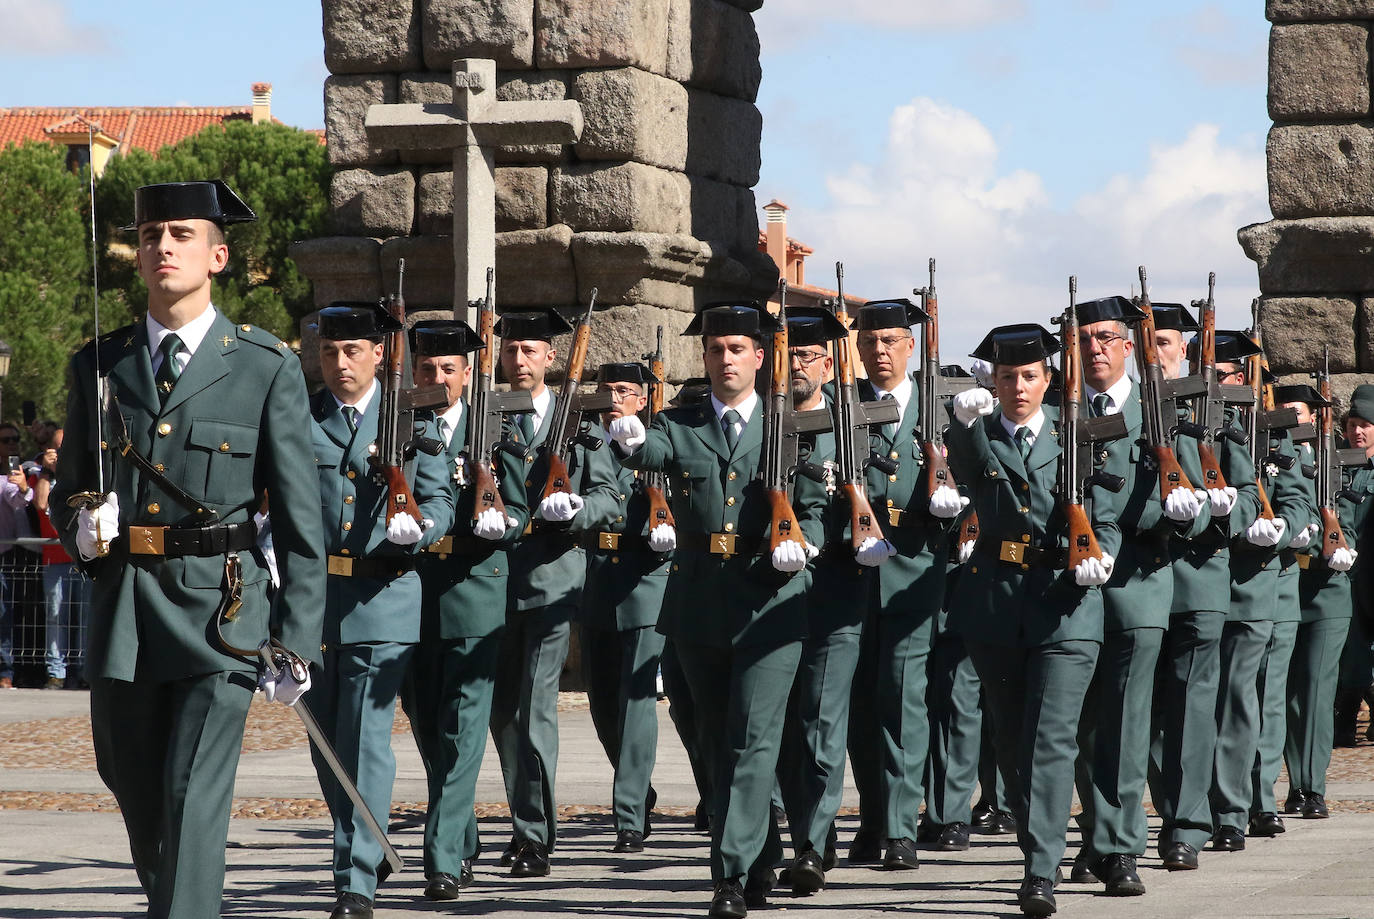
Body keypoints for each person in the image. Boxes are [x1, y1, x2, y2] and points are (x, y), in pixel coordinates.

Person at [51, 179, 326, 919]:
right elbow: (69, 486)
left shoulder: (265, 367)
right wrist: (80, 524)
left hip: (222, 613)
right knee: (135, 787)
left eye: (178, 234)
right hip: (126, 613)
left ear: (218, 256)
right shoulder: (99, 366)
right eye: (148, 236)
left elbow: (302, 519)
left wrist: (299, 635)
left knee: (189, 793)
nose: (161, 247)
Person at [608, 303, 829, 918]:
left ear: (760, 358)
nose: (725, 360)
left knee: (752, 741)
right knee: (712, 740)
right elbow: (650, 450)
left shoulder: (792, 426)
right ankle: (759, 856)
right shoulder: (682, 425)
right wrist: (626, 434)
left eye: (736, 349)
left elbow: (814, 509)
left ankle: (728, 875)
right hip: (700, 603)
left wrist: (801, 545)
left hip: (772, 603)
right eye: (714, 350)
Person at [947, 323, 1124, 917]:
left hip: (1066, 603)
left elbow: (1112, 509)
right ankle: (1036, 844)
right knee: (1012, 740)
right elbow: (967, 473)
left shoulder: (1081, 437)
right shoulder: (979, 436)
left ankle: (1040, 868)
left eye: (1027, 377)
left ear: (1048, 380)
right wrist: (964, 425)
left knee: (1051, 738)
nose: (1017, 387)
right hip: (997, 603)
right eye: (1005, 378)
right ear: (992, 384)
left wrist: (1102, 554)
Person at [306, 303, 454, 918]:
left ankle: (355, 877)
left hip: (385, 597)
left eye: (353, 352)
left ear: (377, 355)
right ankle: (364, 846)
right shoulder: (299, 417)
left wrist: (413, 529)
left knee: (366, 738)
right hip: (313, 605)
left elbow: (442, 499)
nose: (341, 364)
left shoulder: (412, 417)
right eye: (330, 353)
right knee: (328, 748)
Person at [1066, 297, 1205, 897]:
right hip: (1069, 590)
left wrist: (1176, 510)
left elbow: (1193, 502)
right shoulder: (1057, 411)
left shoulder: (1161, 414)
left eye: (1104, 338)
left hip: (1138, 586)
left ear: (1128, 346)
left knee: (1124, 721)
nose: (1093, 348)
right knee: (1078, 726)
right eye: (1083, 338)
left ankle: (1119, 847)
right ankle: (1097, 832)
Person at [399, 318, 529, 900]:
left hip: (476, 589)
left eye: (447, 369)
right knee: (429, 728)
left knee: (464, 729)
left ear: (469, 372)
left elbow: (525, 509)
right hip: (413, 591)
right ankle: (463, 836)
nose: (436, 378)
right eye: (427, 369)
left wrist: (504, 523)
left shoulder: (501, 425)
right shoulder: (401, 423)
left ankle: (442, 857)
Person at [491, 308, 619, 877]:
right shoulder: (487, 420)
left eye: (529, 351)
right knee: (499, 715)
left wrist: (575, 510)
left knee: (534, 707)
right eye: (511, 350)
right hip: (492, 583)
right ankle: (520, 819)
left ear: (549, 358)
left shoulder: (577, 426)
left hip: (551, 582)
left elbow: (611, 498)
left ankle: (534, 835)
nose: (519, 361)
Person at [843, 299, 965, 870]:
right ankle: (872, 819)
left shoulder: (942, 411)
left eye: (891, 340)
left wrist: (956, 506)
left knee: (902, 701)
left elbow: (980, 480)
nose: (880, 351)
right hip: (852, 576)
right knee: (859, 705)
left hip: (916, 571)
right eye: (870, 342)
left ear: (911, 347)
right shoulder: (844, 408)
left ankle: (899, 827)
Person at [774, 306, 891, 894]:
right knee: (782, 733)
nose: (797, 363)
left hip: (836, 596)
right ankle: (793, 831)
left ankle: (813, 845)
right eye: (789, 351)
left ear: (827, 363)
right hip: (768, 602)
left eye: (807, 353)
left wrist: (861, 524)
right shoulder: (761, 427)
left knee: (821, 725)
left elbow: (881, 500)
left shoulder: (853, 426)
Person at [1147, 317, 1261, 874]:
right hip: (1136, 583)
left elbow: (1247, 498)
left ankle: (1186, 826)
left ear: (1185, 352)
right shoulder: (1117, 413)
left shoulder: (1213, 416)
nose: (1157, 354)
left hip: (1198, 579)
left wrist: (1225, 507)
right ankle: (1158, 812)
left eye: (1164, 344)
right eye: (1148, 344)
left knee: (1194, 705)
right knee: (1142, 714)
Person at [1207, 334, 1311, 854]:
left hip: (1253, 581)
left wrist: (1282, 527)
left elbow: (1297, 499)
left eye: (1228, 375)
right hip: (1198, 580)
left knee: (1248, 697)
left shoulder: (1270, 432)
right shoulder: (1193, 422)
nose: (1221, 384)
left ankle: (1250, 801)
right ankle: (1207, 802)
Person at [580, 361, 675, 853]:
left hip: (645, 579)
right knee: (602, 705)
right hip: (596, 579)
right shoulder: (583, 442)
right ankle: (636, 784)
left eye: (625, 390)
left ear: (643, 399)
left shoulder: (660, 443)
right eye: (607, 389)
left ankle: (630, 814)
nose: (614, 398)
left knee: (637, 702)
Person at [1286, 383, 1371, 816]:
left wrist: (1337, 540)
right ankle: (1270, 788)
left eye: (1298, 412)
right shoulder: (1270, 456)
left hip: (1328, 591)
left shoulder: (1335, 462)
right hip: (1282, 588)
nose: (1291, 420)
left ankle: (1310, 785)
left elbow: (1351, 519)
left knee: (1318, 691)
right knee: (1278, 694)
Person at [35, 430, 90, 689]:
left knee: (85, 616)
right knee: (56, 616)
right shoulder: (43, 474)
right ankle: (56, 672)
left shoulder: (85, 472)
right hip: (56, 559)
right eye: (56, 448)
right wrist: (47, 471)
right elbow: (41, 502)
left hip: (83, 558)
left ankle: (82, 670)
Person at [0, 421, 36, 689]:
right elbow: (16, 498)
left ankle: (16, 671)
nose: (12, 444)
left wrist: (24, 487)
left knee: (21, 614)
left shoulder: (22, 472)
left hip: (21, 553)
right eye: (6, 440)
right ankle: (8, 670)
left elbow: (22, 499)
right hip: (7, 552)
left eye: (15, 439)